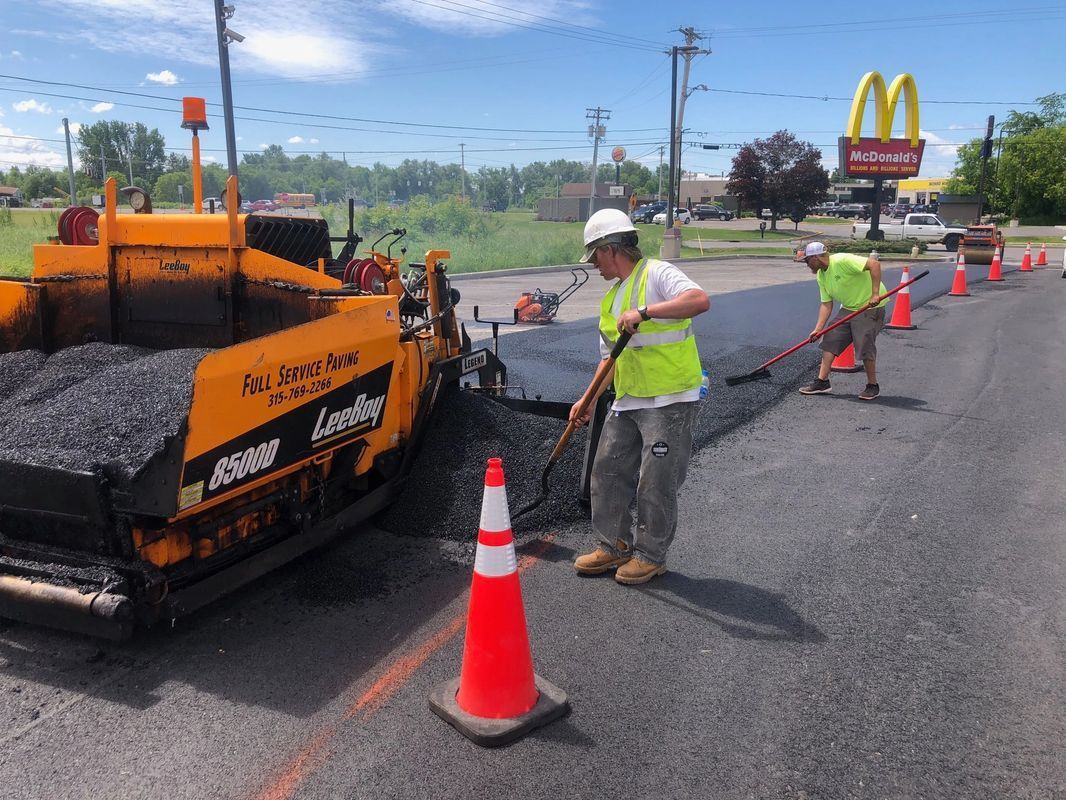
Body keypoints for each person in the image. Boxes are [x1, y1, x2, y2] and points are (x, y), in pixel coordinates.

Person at [569, 208, 710, 585]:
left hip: (670, 399)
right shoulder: (610, 300)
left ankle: (651, 555)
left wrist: (645, 312)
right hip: (629, 399)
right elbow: (608, 362)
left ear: (609, 248)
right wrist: (586, 400)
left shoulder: (657, 273)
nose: (595, 265)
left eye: (595, 256)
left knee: (656, 480)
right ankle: (614, 546)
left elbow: (698, 300)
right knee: (608, 471)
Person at [797, 241, 887, 400]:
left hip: (870, 306)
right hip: (850, 307)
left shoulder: (842, 260)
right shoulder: (821, 274)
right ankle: (822, 382)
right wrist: (818, 329)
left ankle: (873, 385)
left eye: (807, 260)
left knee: (864, 343)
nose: (806, 264)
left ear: (816, 257)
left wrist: (874, 294)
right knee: (830, 337)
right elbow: (826, 304)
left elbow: (874, 264)